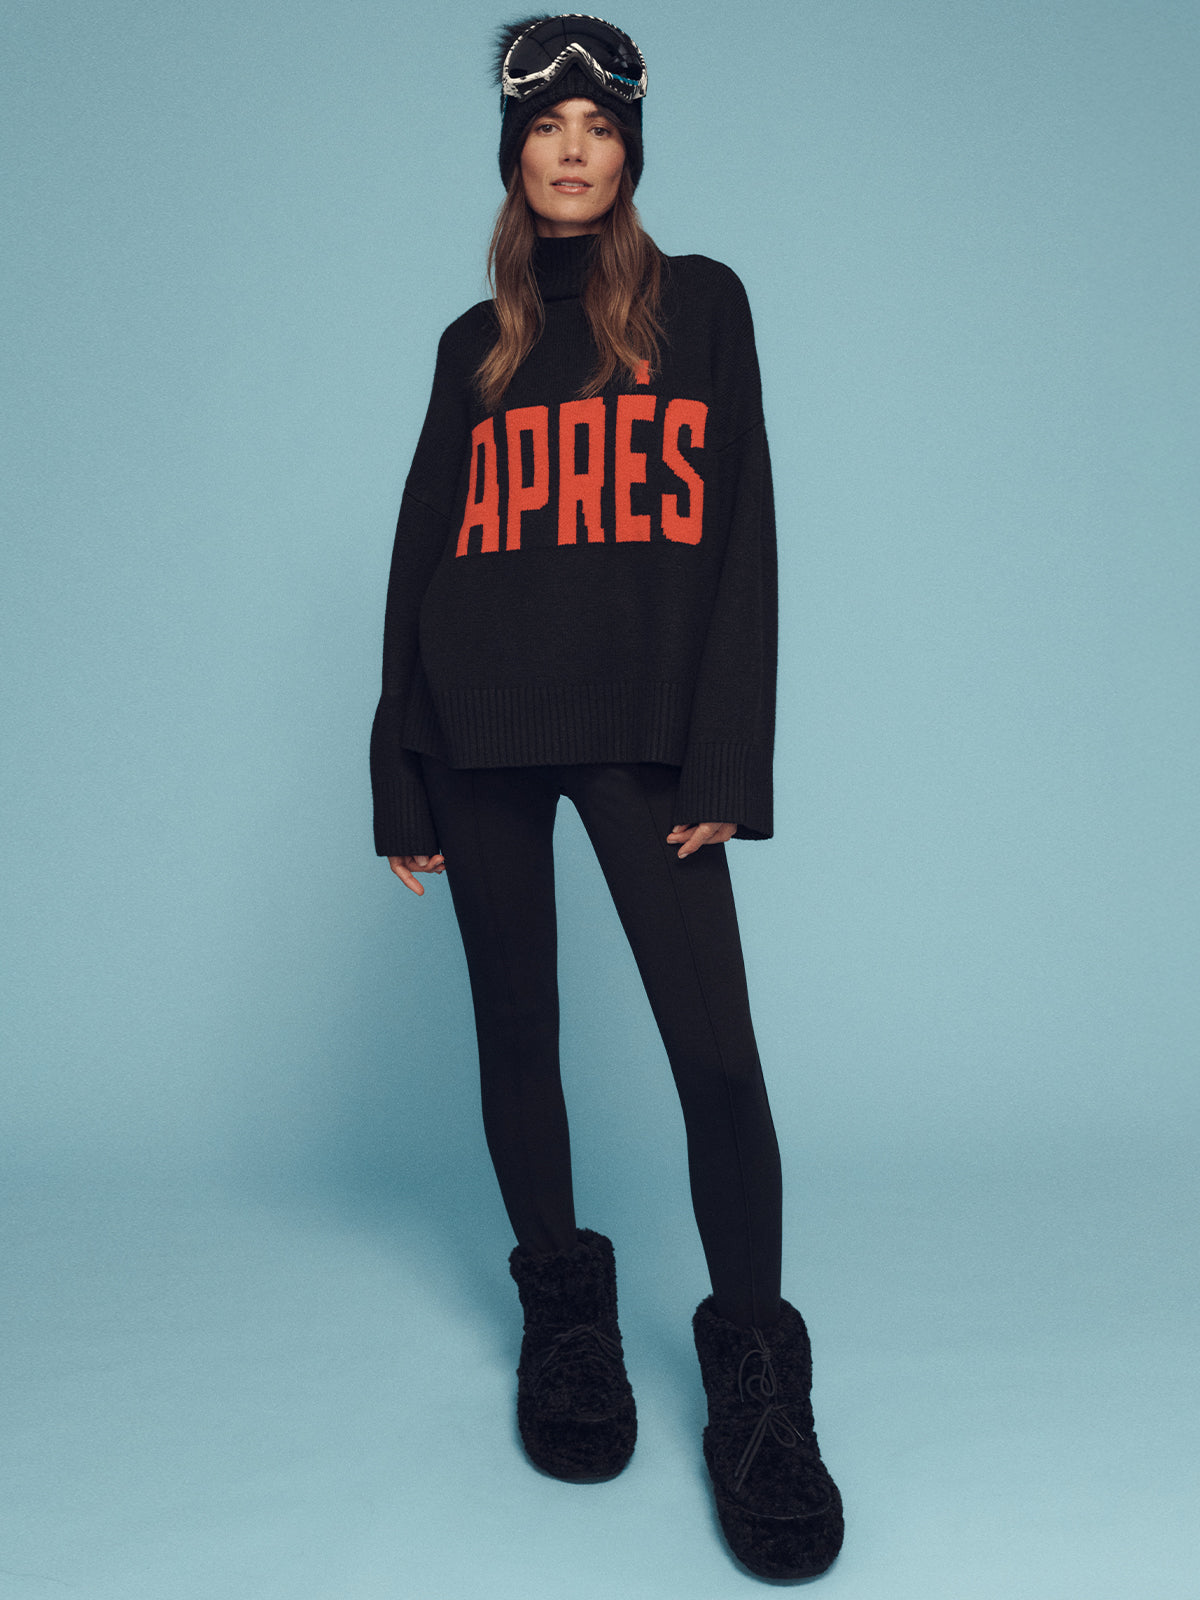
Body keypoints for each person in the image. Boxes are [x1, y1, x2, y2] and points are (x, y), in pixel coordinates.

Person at [368, 14, 843, 1582]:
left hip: (647, 739)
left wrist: (729, 758)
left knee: (715, 1055)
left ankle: (760, 1382)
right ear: (511, 153)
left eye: (600, 122)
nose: (572, 148)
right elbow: (419, 554)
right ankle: (564, 1317)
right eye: (544, 125)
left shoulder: (701, 309)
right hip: (478, 730)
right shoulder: (472, 346)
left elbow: (746, 539)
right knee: (518, 1032)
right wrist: (398, 760)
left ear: (632, 147)